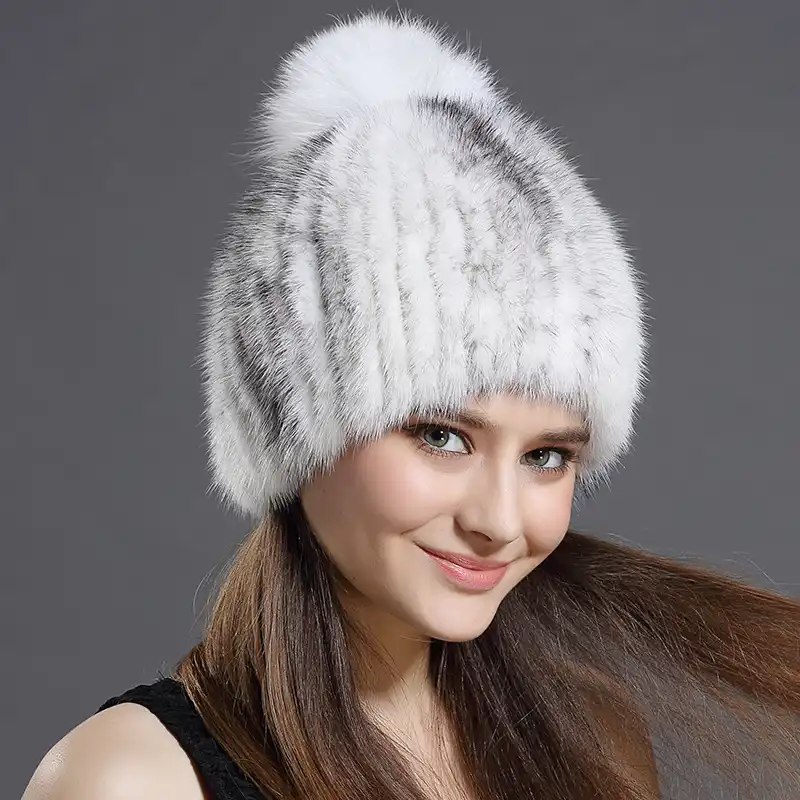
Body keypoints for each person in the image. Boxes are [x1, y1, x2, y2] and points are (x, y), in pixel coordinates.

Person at [23, 12, 799, 800]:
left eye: (546, 456)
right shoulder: (132, 779)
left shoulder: (592, 739)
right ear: (294, 431)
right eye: (442, 436)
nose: (499, 521)